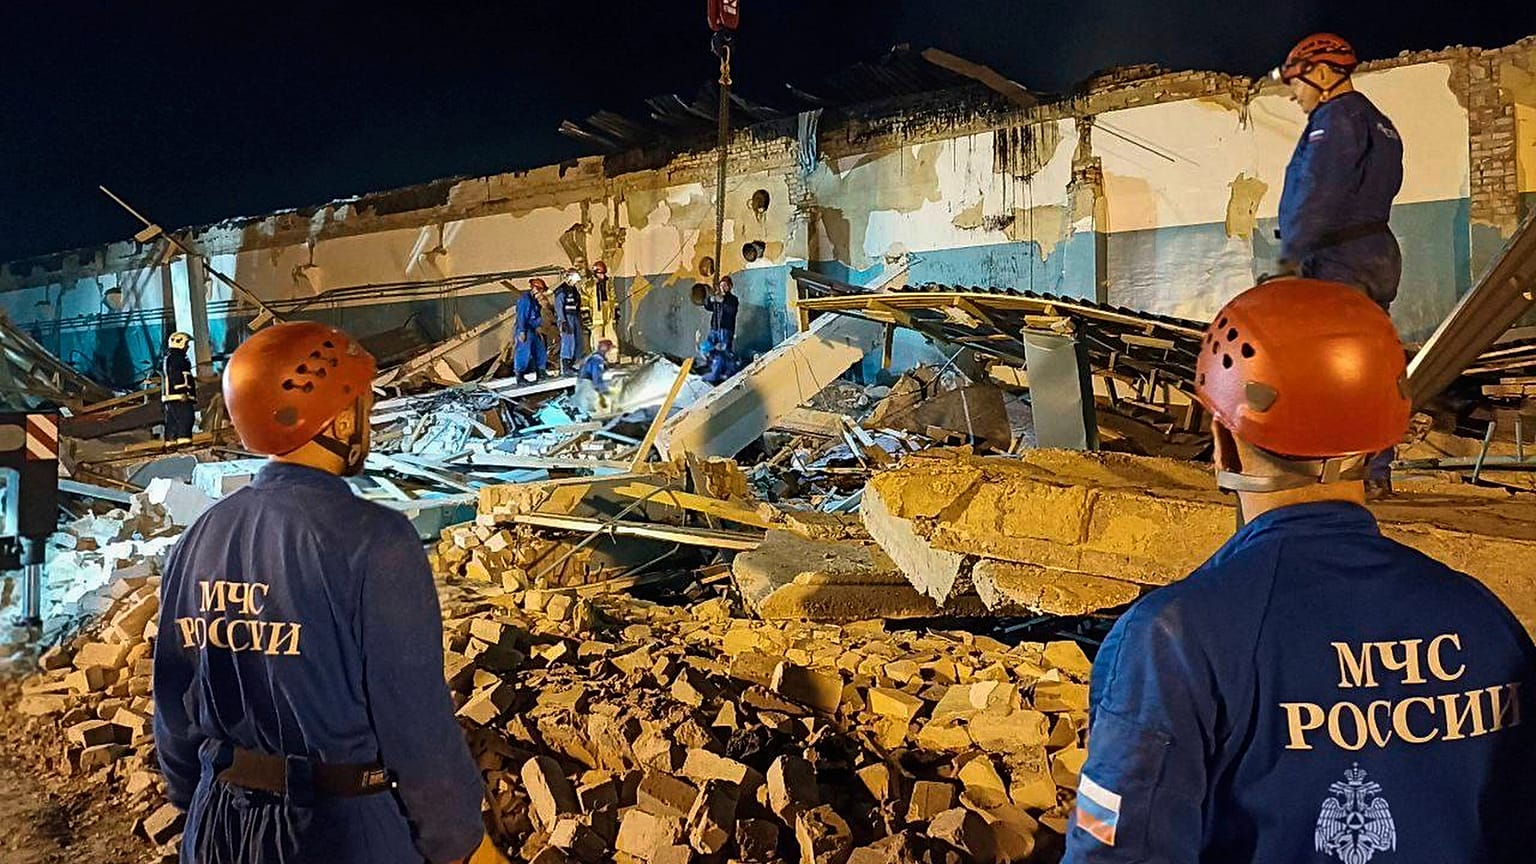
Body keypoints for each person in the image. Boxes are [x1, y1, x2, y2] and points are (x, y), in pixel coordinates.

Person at [1062, 278, 1536, 864]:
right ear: (1382, 438)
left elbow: (1115, 852)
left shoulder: (1175, 640)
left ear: (1224, 443)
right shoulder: (1483, 618)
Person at [152, 321, 489, 864]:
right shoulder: (375, 540)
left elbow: (173, 712)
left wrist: (201, 803)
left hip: (217, 825)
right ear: (335, 416)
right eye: (363, 405)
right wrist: (460, 843)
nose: (370, 421)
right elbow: (416, 725)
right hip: (337, 829)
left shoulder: (198, 539)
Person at [1274, 33, 1404, 310]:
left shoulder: (1335, 117)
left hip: (1338, 260)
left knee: (1327, 346)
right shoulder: (1379, 122)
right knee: (1366, 344)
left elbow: (1319, 189)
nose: (1294, 95)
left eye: (1297, 83)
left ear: (1322, 74)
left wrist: (1289, 261)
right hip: (1377, 256)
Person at [161, 331, 197, 444]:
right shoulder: (177, 358)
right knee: (185, 418)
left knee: (172, 421)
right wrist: (183, 390)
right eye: (186, 343)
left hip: (172, 395)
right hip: (179, 395)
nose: (187, 346)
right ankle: (184, 442)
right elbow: (177, 375)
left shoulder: (171, 357)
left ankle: (170, 442)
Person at [513, 277, 549, 381]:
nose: (542, 293)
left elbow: (537, 316)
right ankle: (519, 375)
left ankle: (541, 372)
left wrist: (538, 327)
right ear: (535, 289)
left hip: (534, 329)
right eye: (541, 290)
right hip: (526, 329)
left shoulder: (535, 301)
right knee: (523, 351)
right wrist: (522, 331)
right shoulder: (525, 300)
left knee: (540, 349)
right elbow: (522, 316)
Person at [553, 269, 585, 376]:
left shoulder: (574, 289)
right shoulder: (561, 290)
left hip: (574, 316)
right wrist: (562, 321)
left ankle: (571, 364)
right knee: (568, 341)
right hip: (566, 318)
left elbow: (578, 304)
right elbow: (559, 307)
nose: (576, 282)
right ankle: (565, 367)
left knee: (578, 341)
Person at [703, 275, 739, 353]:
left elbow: (731, 311)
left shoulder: (733, 299)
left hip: (726, 330)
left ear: (730, 287)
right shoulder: (717, 297)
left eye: (725, 285)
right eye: (721, 285)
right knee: (708, 350)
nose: (723, 287)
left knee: (725, 352)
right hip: (714, 329)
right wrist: (709, 300)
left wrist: (722, 301)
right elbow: (708, 307)